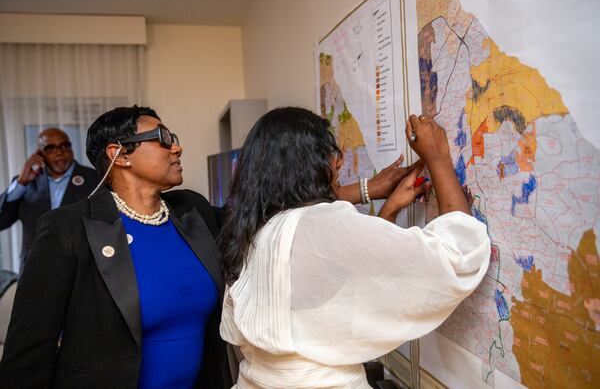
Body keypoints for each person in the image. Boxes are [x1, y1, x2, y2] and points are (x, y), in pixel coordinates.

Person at [0, 105, 413, 389]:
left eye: (174, 137)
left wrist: (369, 192)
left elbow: (268, 214)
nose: (176, 146)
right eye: (162, 137)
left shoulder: (190, 210)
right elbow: (28, 352)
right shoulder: (69, 229)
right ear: (118, 154)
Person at [219, 107, 491, 388]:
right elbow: (458, 255)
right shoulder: (320, 225)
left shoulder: (252, 232)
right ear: (308, 165)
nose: (337, 165)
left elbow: (336, 286)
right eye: (330, 155)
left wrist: (389, 209)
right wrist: (438, 158)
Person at [0, 128, 100, 269]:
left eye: (64, 146)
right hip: (35, 268)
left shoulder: (95, 178)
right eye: (50, 148)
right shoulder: (26, 183)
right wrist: (21, 182)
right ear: (39, 154)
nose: (60, 152)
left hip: (82, 268)